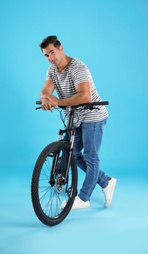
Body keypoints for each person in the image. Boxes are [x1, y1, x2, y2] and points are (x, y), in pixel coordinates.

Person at [38, 35, 117, 210]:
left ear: (61, 48)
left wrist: (57, 101)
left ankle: (84, 198)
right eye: (46, 55)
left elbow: (85, 96)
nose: (51, 58)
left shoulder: (78, 67)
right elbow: (46, 90)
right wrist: (44, 98)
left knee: (90, 156)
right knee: (72, 154)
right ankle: (105, 181)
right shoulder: (52, 70)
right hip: (74, 115)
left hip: (93, 115)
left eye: (52, 52)